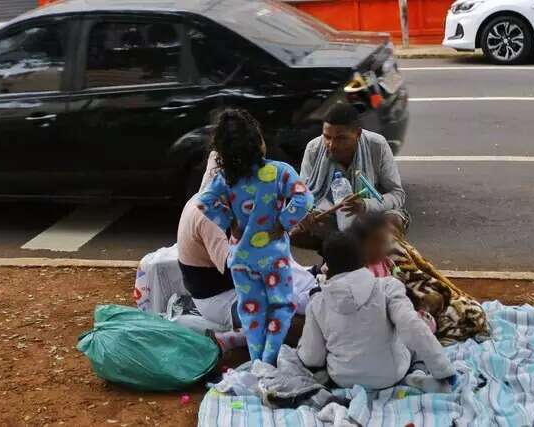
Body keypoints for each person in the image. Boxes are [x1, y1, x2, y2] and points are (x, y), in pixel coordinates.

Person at [196, 109, 313, 364]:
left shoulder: (225, 179)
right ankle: (269, 360)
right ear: (258, 142)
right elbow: (304, 198)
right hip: (274, 259)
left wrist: (231, 222)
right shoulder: (280, 172)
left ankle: (256, 360)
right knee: (281, 307)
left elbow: (204, 202)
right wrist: (283, 223)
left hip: (241, 259)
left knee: (252, 312)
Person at [177, 151, 317, 354]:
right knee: (300, 324)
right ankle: (234, 339)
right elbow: (235, 267)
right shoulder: (207, 214)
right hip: (222, 295)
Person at [297, 232, 455, 390]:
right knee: (417, 330)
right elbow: (412, 327)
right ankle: (417, 373)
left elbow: (312, 357)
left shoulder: (317, 302)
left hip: (343, 379)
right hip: (391, 374)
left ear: (327, 265)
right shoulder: (387, 287)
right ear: (365, 259)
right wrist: (444, 370)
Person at [293, 102, 407, 248]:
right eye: (327, 137)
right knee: (297, 233)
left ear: (358, 134)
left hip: (374, 214)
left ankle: (372, 262)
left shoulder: (377, 145)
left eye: (341, 138)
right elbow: (304, 195)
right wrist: (306, 212)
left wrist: (366, 205)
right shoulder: (314, 148)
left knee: (390, 225)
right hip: (331, 215)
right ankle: (336, 258)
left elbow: (397, 194)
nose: (331, 145)